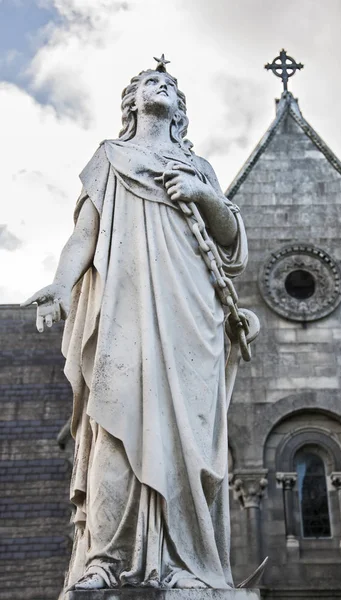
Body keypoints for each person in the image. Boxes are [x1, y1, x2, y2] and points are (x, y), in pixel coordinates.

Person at [22, 57, 248, 592]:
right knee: (117, 424)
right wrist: (60, 284)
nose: (161, 84)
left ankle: (189, 564)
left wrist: (203, 196)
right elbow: (85, 233)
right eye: (151, 81)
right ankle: (107, 558)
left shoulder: (198, 168)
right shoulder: (110, 158)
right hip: (126, 305)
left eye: (170, 83)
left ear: (180, 108)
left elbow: (232, 240)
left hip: (189, 312)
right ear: (132, 102)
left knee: (188, 439)